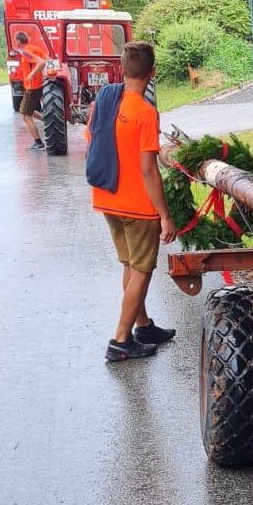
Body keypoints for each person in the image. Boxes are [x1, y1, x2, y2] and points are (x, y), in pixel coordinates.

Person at [85, 40, 178, 363]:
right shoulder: (145, 113)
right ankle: (120, 340)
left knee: (129, 265)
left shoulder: (104, 102)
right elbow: (149, 170)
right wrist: (165, 216)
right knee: (141, 271)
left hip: (107, 198)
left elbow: (90, 143)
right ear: (152, 73)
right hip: (138, 207)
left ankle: (144, 326)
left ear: (122, 69)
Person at [14, 31, 47, 149]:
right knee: (26, 110)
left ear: (19, 41)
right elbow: (48, 59)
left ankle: (38, 142)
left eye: (16, 40)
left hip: (32, 87)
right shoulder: (35, 49)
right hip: (38, 85)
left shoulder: (26, 52)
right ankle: (46, 120)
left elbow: (42, 62)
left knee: (26, 116)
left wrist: (31, 75)